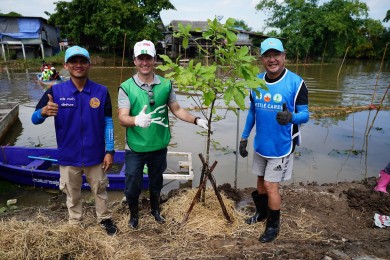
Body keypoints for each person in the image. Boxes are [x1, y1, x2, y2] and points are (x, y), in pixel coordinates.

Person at [117, 39, 209, 229]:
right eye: (140, 58)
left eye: (148, 58)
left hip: (159, 145)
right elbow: (122, 118)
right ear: (134, 60)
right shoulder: (126, 87)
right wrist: (136, 120)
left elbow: (176, 109)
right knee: (132, 184)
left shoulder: (166, 85)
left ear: (155, 60)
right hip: (135, 146)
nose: (144, 62)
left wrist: (196, 120)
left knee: (156, 181)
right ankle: (134, 215)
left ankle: (155, 210)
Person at [31, 46, 118, 235]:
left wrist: (109, 150)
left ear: (89, 65)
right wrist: (43, 112)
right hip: (68, 155)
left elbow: (108, 123)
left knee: (100, 189)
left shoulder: (101, 91)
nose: (78, 65)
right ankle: (75, 222)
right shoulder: (55, 91)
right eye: (74, 62)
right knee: (72, 193)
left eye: (82, 61)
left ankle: (104, 219)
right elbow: (34, 119)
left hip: (95, 154)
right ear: (66, 65)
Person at [239, 38, 309, 243]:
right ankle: (261, 213)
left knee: (271, 185)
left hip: (282, 144)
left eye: (276, 54)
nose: (272, 59)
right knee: (260, 181)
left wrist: (291, 118)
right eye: (267, 55)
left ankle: (273, 226)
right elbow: (252, 111)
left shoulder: (296, 83)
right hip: (261, 143)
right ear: (262, 58)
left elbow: (305, 114)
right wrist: (244, 137)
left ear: (284, 56)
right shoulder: (256, 82)